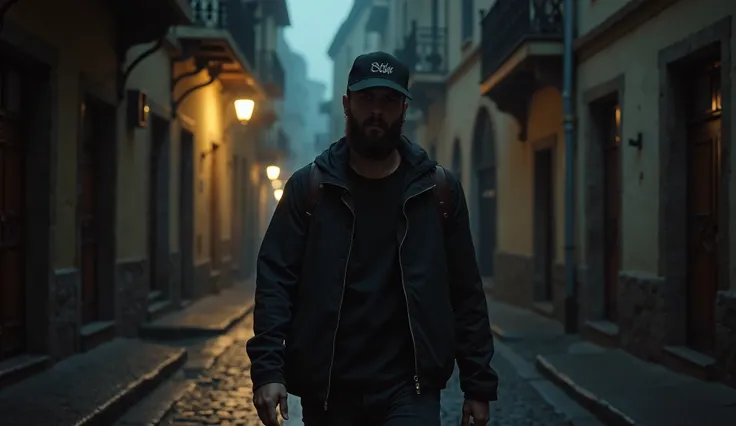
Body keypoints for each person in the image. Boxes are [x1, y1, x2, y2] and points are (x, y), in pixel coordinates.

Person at [246, 51, 498, 426]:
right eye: (366, 99)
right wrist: (268, 370)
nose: (377, 111)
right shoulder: (309, 188)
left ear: (404, 107)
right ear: (347, 104)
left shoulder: (437, 191)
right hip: (330, 390)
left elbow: (466, 290)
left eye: (388, 100)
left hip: (409, 389)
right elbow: (275, 281)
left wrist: (477, 385)